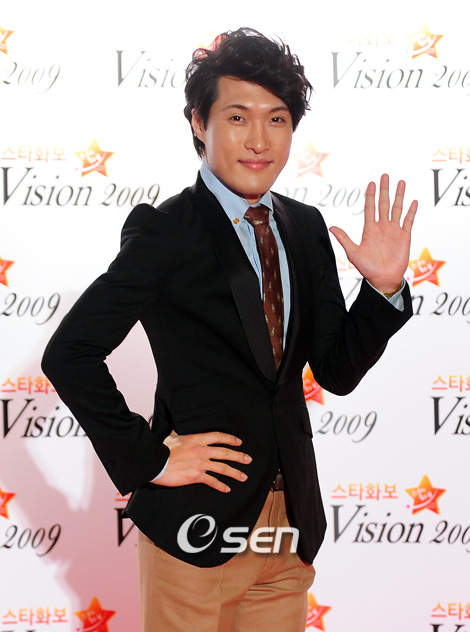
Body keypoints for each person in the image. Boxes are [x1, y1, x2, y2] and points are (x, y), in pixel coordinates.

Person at [42, 27, 417, 632]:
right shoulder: (167, 229)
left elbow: (336, 371)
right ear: (200, 123)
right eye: (238, 117)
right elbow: (70, 352)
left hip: (288, 529)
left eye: (277, 119)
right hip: (194, 529)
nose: (259, 140)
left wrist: (383, 290)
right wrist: (149, 460)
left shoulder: (305, 227)